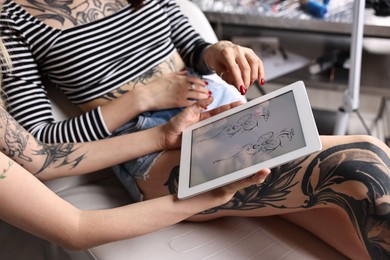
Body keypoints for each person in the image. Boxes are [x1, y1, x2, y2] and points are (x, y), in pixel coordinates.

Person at [0, 0, 389, 259]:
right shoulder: (12, 17)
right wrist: (141, 99)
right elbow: (41, 141)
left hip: (227, 113)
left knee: (361, 220)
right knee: (364, 160)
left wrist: (217, 51)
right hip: (155, 154)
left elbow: (192, 47)